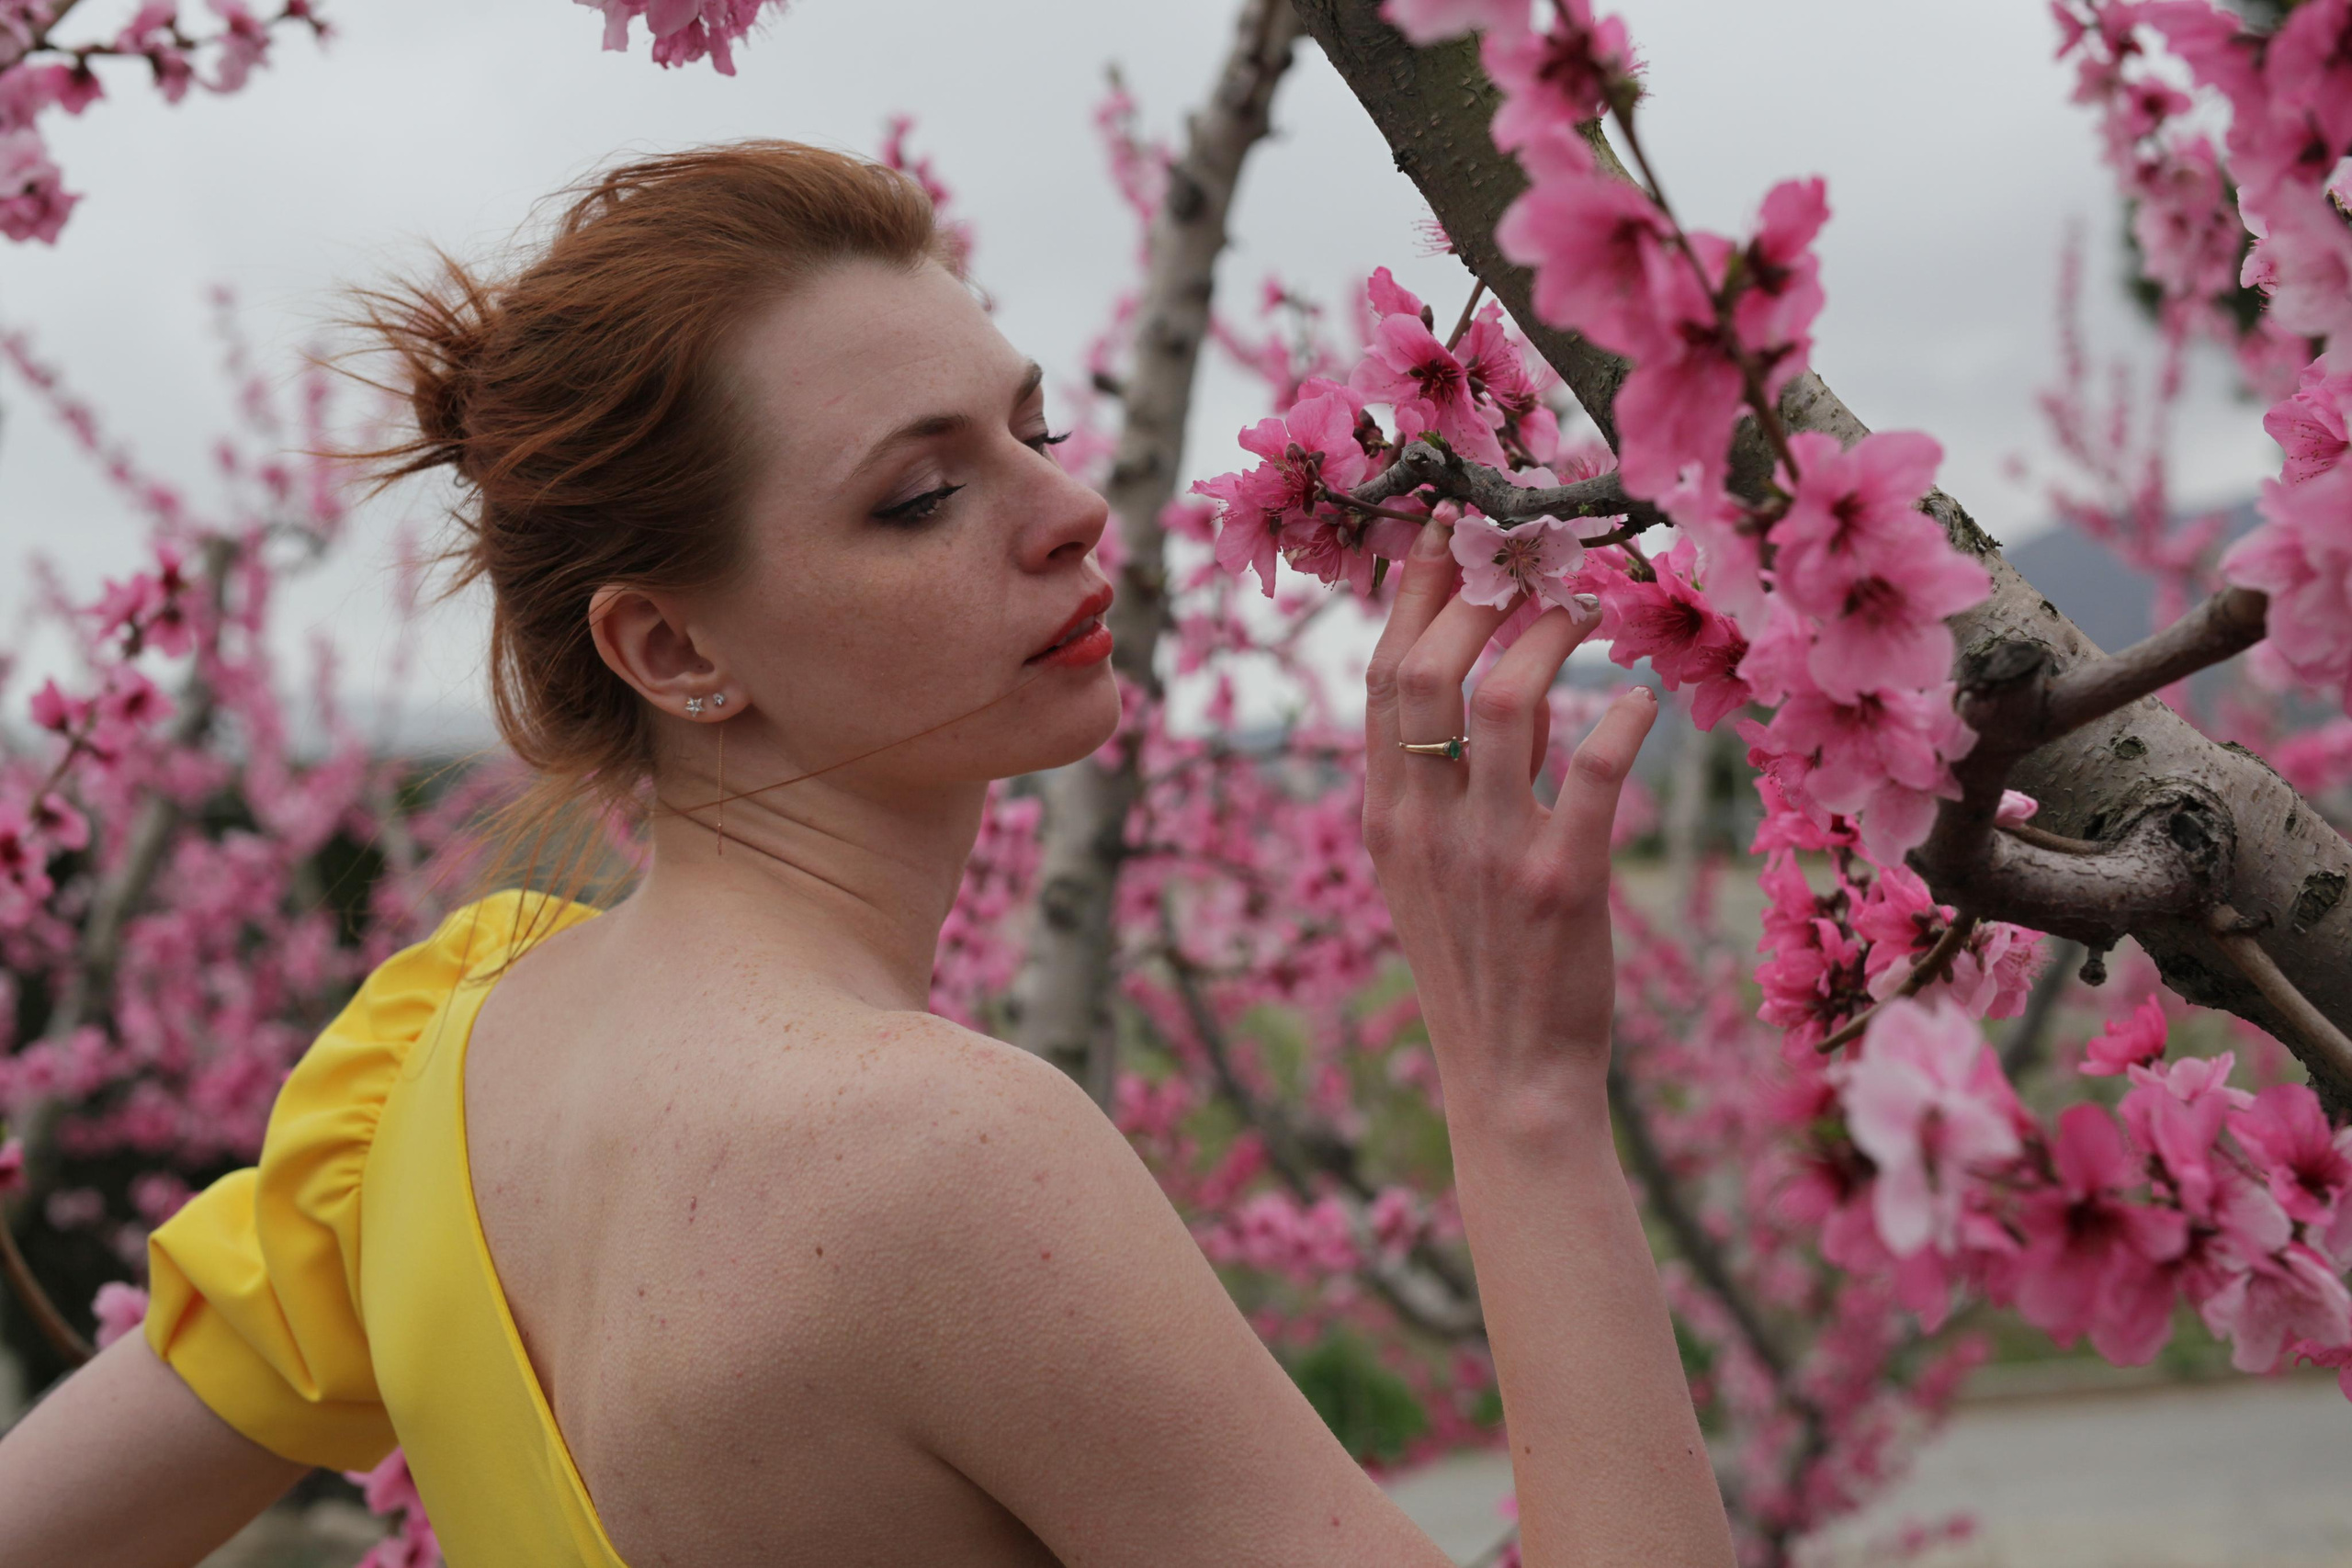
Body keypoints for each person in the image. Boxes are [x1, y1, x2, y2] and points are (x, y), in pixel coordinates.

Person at [0, 141, 1733, 1568]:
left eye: (1030, 432)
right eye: (920, 497)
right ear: (673, 653)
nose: (1071, 514)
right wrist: (1521, 1088)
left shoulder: (434, 1055)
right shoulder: (943, 1160)